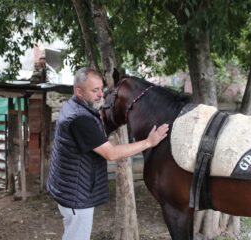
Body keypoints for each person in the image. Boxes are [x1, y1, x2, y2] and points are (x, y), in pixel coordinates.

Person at [46, 68, 169, 240]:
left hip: (67, 187)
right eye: (94, 90)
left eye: (101, 89)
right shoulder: (80, 119)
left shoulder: (71, 106)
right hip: (76, 195)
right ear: (78, 91)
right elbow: (110, 153)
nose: (100, 95)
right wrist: (149, 142)